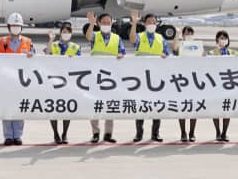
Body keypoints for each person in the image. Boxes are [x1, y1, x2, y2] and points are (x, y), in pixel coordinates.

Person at [0, 12, 34, 145]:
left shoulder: (28, 42)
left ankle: (17, 135)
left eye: (18, 25)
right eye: (13, 25)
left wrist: (30, 55)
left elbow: (36, 59)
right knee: (6, 108)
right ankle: (8, 136)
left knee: (19, 109)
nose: (16, 28)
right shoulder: (2, 41)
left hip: (21, 81)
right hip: (5, 80)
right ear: (8, 27)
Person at [129, 12, 169, 143]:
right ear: (145, 24)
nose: (152, 24)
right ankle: (139, 133)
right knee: (141, 106)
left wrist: (165, 56)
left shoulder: (161, 38)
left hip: (157, 78)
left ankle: (155, 133)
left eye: (154, 22)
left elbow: (167, 54)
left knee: (157, 106)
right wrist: (134, 23)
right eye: (149, 22)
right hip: (142, 78)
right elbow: (132, 40)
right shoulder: (140, 36)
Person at [85, 11, 124, 143]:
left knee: (110, 106)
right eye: (104, 22)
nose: (107, 24)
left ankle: (108, 134)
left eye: (109, 22)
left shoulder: (117, 38)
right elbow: (88, 37)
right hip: (96, 76)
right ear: (99, 23)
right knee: (95, 105)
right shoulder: (95, 36)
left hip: (111, 78)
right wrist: (91, 24)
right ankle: (95, 133)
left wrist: (120, 56)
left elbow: (122, 52)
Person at [43, 23, 81, 144]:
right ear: (60, 33)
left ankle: (65, 134)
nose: (66, 34)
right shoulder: (53, 45)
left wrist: (73, 60)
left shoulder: (75, 47)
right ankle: (55, 133)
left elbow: (81, 63)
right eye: (64, 32)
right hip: (54, 82)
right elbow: (47, 53)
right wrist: (51, 39)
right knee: (53, 109)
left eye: (68, 32)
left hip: (68, 83)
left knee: (67, 109)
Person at [208, 30, 238, 142]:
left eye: (225, 38)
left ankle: (225, 132)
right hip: (216, 85)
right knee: (215, 110)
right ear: (217, 40)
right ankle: (217, 131)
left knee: (227, 109)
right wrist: (217, 50)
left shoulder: (233, 53)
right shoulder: (212, 53)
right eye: (221, 38)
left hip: (229, 85)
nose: (223, 40)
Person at [172, 26, 198, 142]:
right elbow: (174, 48)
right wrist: (177, 35)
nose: (188, 35)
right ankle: (183, 132)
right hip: (181, 82)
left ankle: (192, 132)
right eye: (186, 33)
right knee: (182, 109)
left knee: (194, 109)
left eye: (190, 33)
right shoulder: (180, 46)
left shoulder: (197, 46)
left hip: (195, 82)